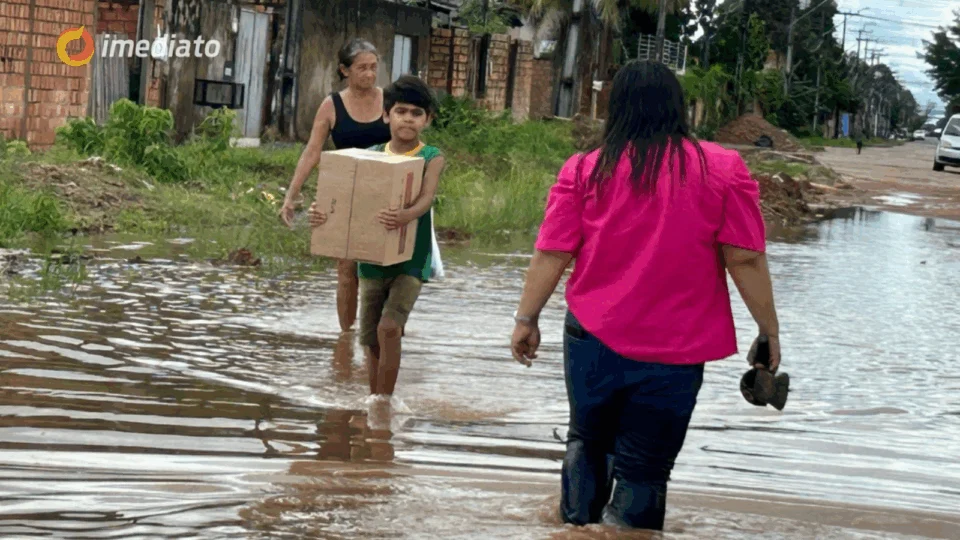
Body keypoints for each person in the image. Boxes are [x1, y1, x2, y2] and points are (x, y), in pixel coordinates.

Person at [510, 61, 781, 531]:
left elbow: (552, 253)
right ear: (677, 108)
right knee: (646, 469)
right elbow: (745, 259)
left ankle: (573, 528)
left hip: (591, 336)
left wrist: (525, 319)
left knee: (587, 442)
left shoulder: (585, 169)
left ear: (617, 109)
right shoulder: (721, 168)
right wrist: (768, 331)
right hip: (675, 351)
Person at [309, 76, 445, 401]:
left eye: (416, 113)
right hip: (371, 261)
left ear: (427, 119)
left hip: (412, 258)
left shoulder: (431, 156)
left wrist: (406, 215)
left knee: (389, 328)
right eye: (401, 111)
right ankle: (376, 399)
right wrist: (320, 214)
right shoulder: (369, 155)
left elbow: (426, 198)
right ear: (386, 116)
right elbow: (343, 200)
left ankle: (384, 400)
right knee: (369, 339)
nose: (407, 119)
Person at [281, 38, 392, 333]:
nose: (369, 74)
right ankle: (345, 338)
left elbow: (409, 142)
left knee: (386, 269)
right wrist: (291, 196)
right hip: (347, 194)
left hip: (386, 194)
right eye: (361, 68)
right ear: (344, 70)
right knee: (346, 269)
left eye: (373, 68)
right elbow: (312, 151)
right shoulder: (332, 105)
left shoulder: (389, 101)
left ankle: (384, 334)